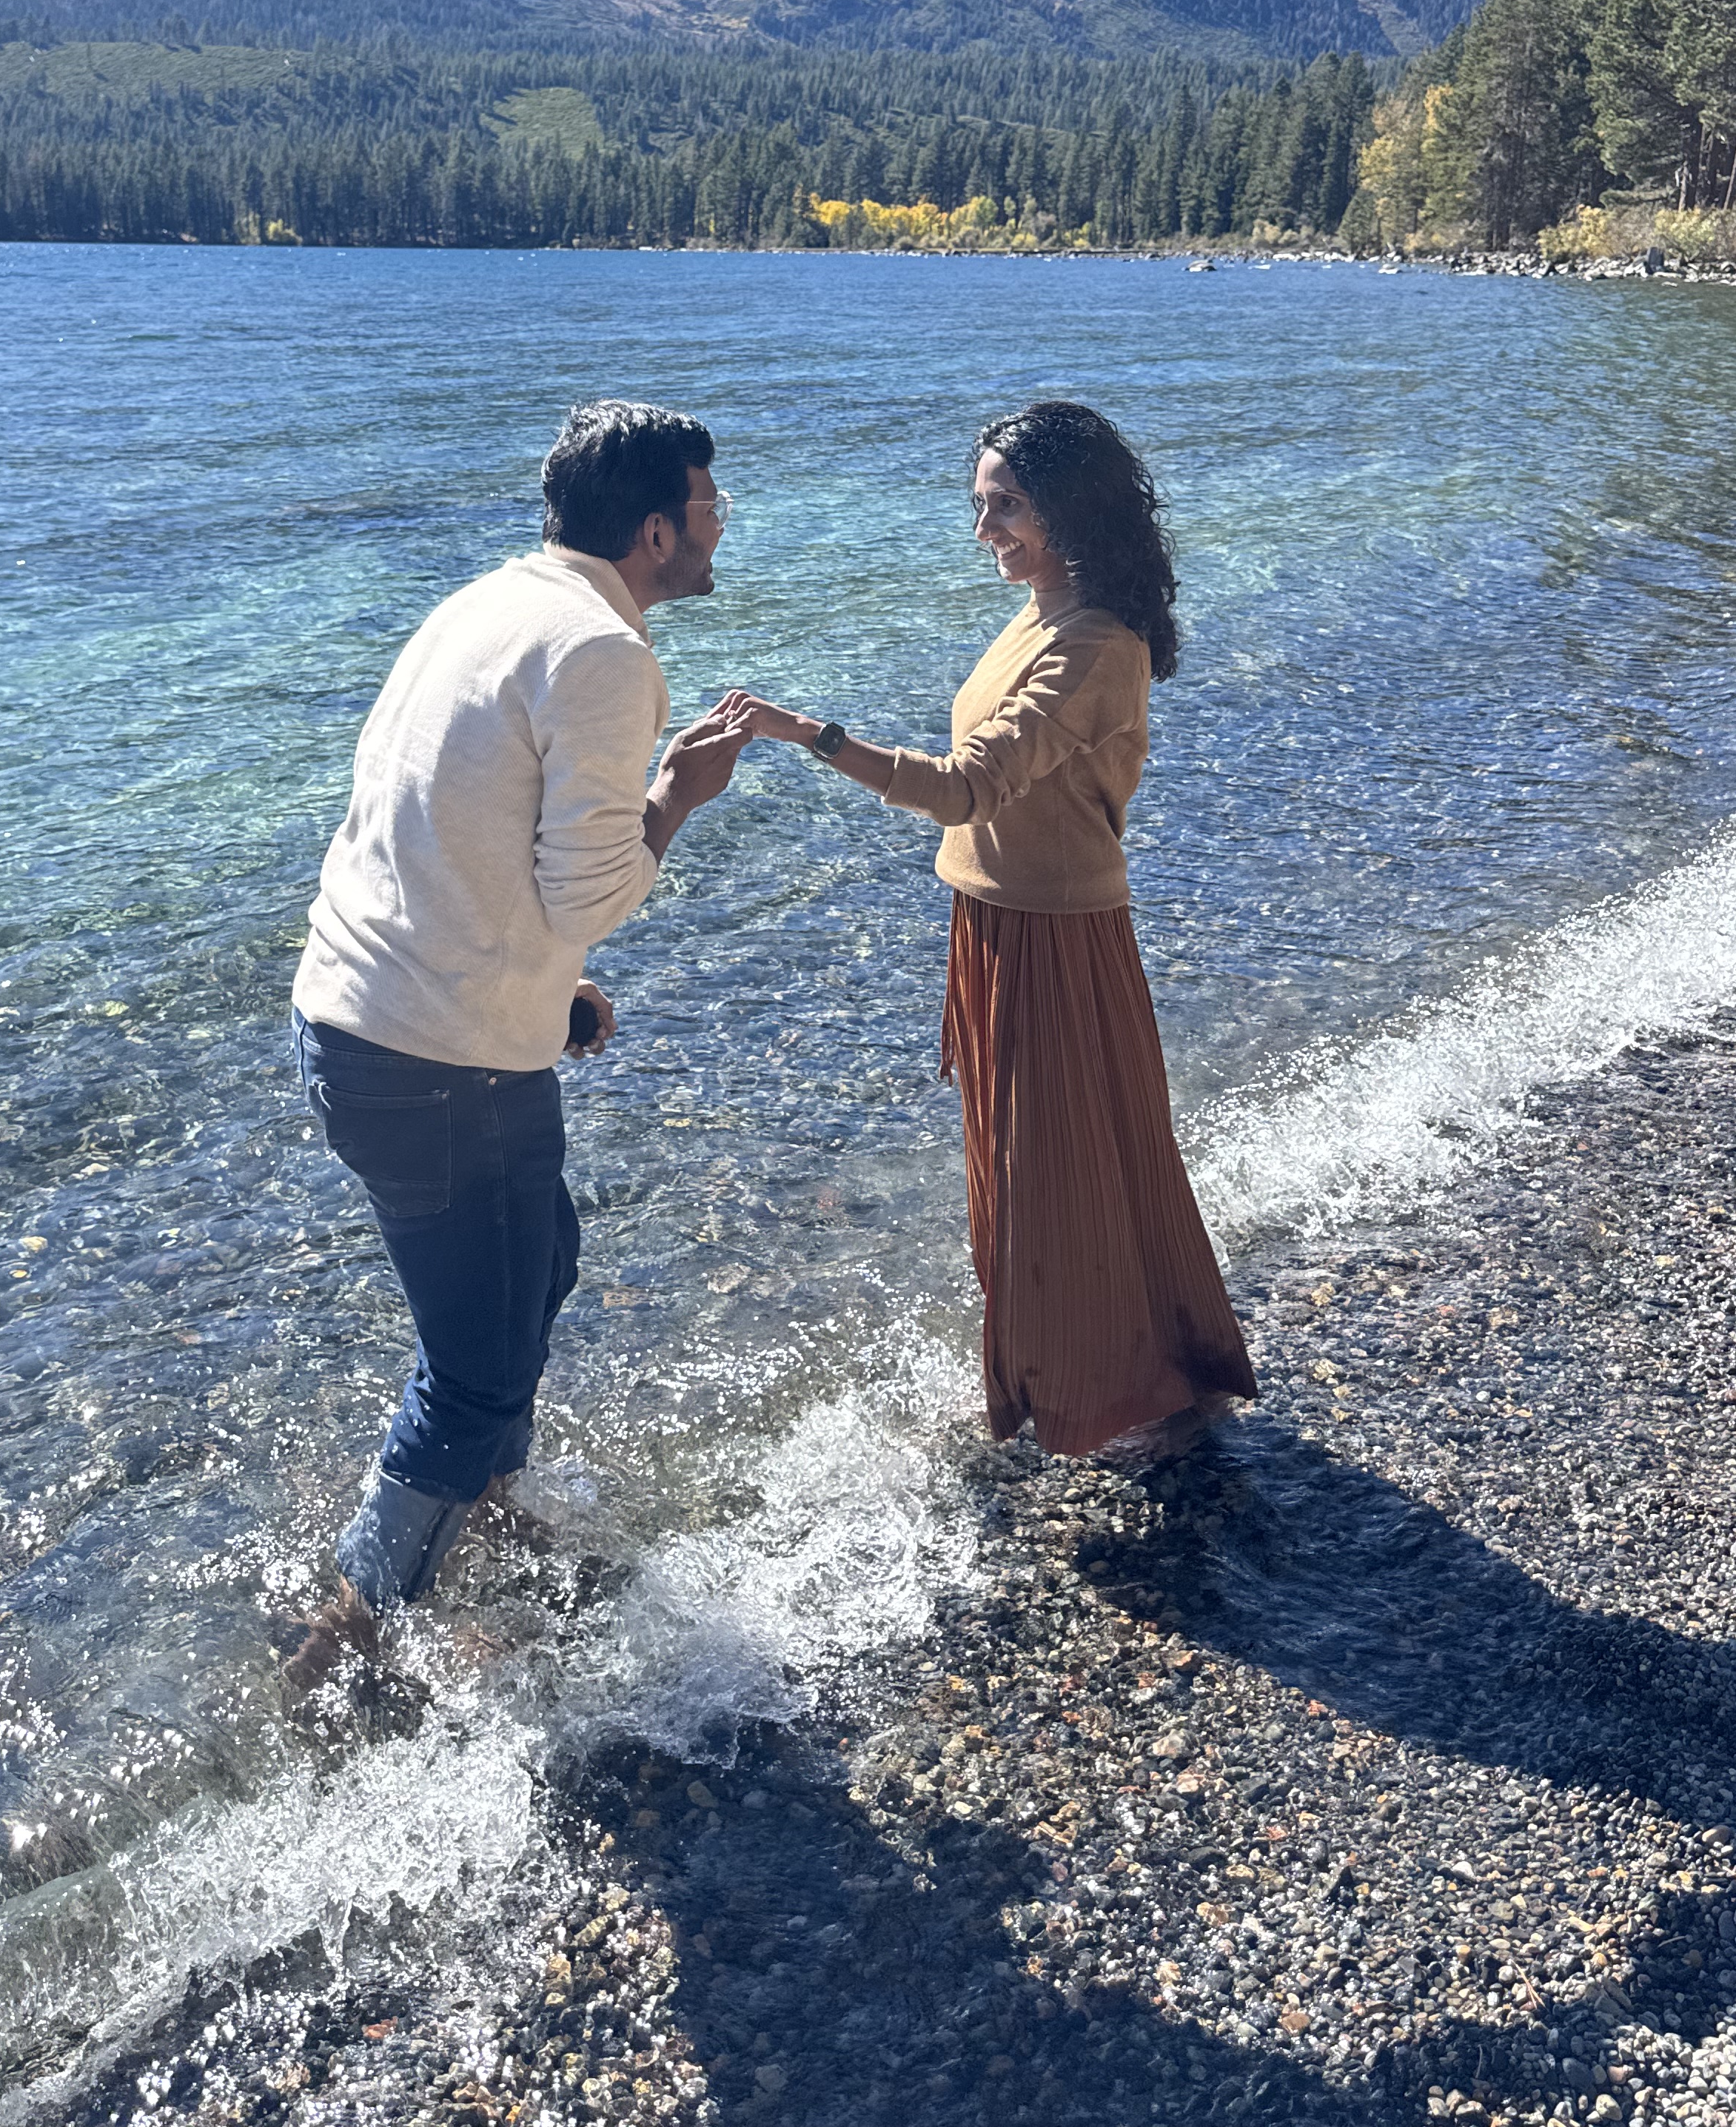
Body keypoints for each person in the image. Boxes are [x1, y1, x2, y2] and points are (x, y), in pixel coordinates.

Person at [284, 401, 748, 1685]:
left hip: (374, 1018)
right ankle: (341, 1646)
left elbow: (444, 824)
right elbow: (589, 891)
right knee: (475, 1375)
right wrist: (677, 797)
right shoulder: (604, 652)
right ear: (656, 531)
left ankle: (481, 1527)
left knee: (541, 1263)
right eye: (710, 509)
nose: (720, 530)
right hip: (441, 1064)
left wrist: (553, 993)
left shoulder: (490, 600)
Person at [731, 400, 1254, 1464]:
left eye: (1006, 506)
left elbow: (967, 789)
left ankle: (1117, 1397)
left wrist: (809, 733)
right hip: (996, 921)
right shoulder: (1045, 608)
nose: (985, 533)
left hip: (1057, 936)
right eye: (980, 506)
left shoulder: (1100, 643)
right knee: (1036, 1181)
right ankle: (1114, 1380)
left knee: (1058, 1186)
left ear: (1073, 507)